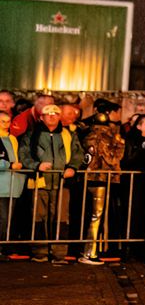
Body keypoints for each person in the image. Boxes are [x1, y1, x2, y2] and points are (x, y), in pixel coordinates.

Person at [22, 104, 84, 263]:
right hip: (39, 182)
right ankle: (39, 252)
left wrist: (73, 167)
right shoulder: (31, 134)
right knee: (38, 217)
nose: (51, 116)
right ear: (41, 117)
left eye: (55, 113)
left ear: (59, 117)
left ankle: (59, 253)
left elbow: (78, 153)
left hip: (62, 183)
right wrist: (36, 166)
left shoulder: (69, 134)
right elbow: (24, 154)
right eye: (47, 114)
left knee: (61, 218)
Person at [79, 108, 125, 265]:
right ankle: (89, 252)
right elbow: (114, 158)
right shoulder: (110, 137)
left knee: (87, 215)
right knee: (96, 217)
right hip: (102, 179)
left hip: (86, 177)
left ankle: (85, 250)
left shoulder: (86, 135)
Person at [0, 112, 25, 242]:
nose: (6, 124)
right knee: (3, 218)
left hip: (13, 185)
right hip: (2, 185)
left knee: (7, 219)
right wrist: (9, 165)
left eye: (8, 121)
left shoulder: (13, 139)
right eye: (2, 121)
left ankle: (3, 247)